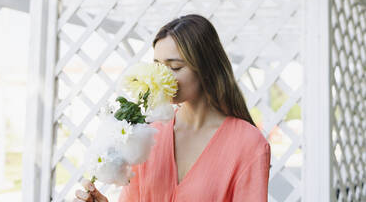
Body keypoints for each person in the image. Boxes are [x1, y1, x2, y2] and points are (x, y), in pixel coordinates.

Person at [74, 14, 271, 202]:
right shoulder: (148, 135)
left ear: (206, 68)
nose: (162, 77)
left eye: (175, 67)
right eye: (158, 66)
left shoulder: (248, 144)